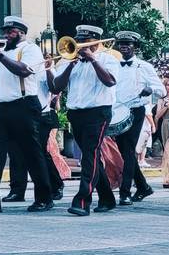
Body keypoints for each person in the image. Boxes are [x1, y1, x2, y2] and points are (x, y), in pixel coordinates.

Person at [0, 16, 53, 213]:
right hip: (1, 108)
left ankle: (44, 198)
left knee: (32, 154)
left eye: (10, 32)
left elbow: (24, 71)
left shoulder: (30, 49)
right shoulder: (3, 52)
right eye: (5, 31)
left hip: (24, 105)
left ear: (21, 32)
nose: (6, 35)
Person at [50, 25, 120, 216]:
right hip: (76, 114)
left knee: (89, 156)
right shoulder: (70, 60)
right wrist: (71, 64)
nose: (79, 44)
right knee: (93, 157)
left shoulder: (108, 59)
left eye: (84, 40)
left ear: (95, 42)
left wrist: (93, 60)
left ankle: (82, 200)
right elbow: (57, 87)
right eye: (78, 39)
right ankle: (107, 198)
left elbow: (110, 81)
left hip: (98, 113)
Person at [105, 30, 163, 207]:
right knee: (125, 152)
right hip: (116, 112)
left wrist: (150, 90)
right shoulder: (112, 64)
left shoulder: (144, 67)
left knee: (128, 149)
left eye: (128, 44)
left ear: (135, 47)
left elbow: (163, 90)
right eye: (121, 44)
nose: (124, 47)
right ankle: (143, 187)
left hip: (135, 111)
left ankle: (125, 193)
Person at [6, 54, 67, 202]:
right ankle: (17, 190)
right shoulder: (20, 68)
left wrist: (48, 68)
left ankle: (56, 185)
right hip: (24, 114)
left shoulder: (46, 66)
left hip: (43, 114)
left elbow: (55, 88)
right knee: (16, 152)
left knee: (39, 152)